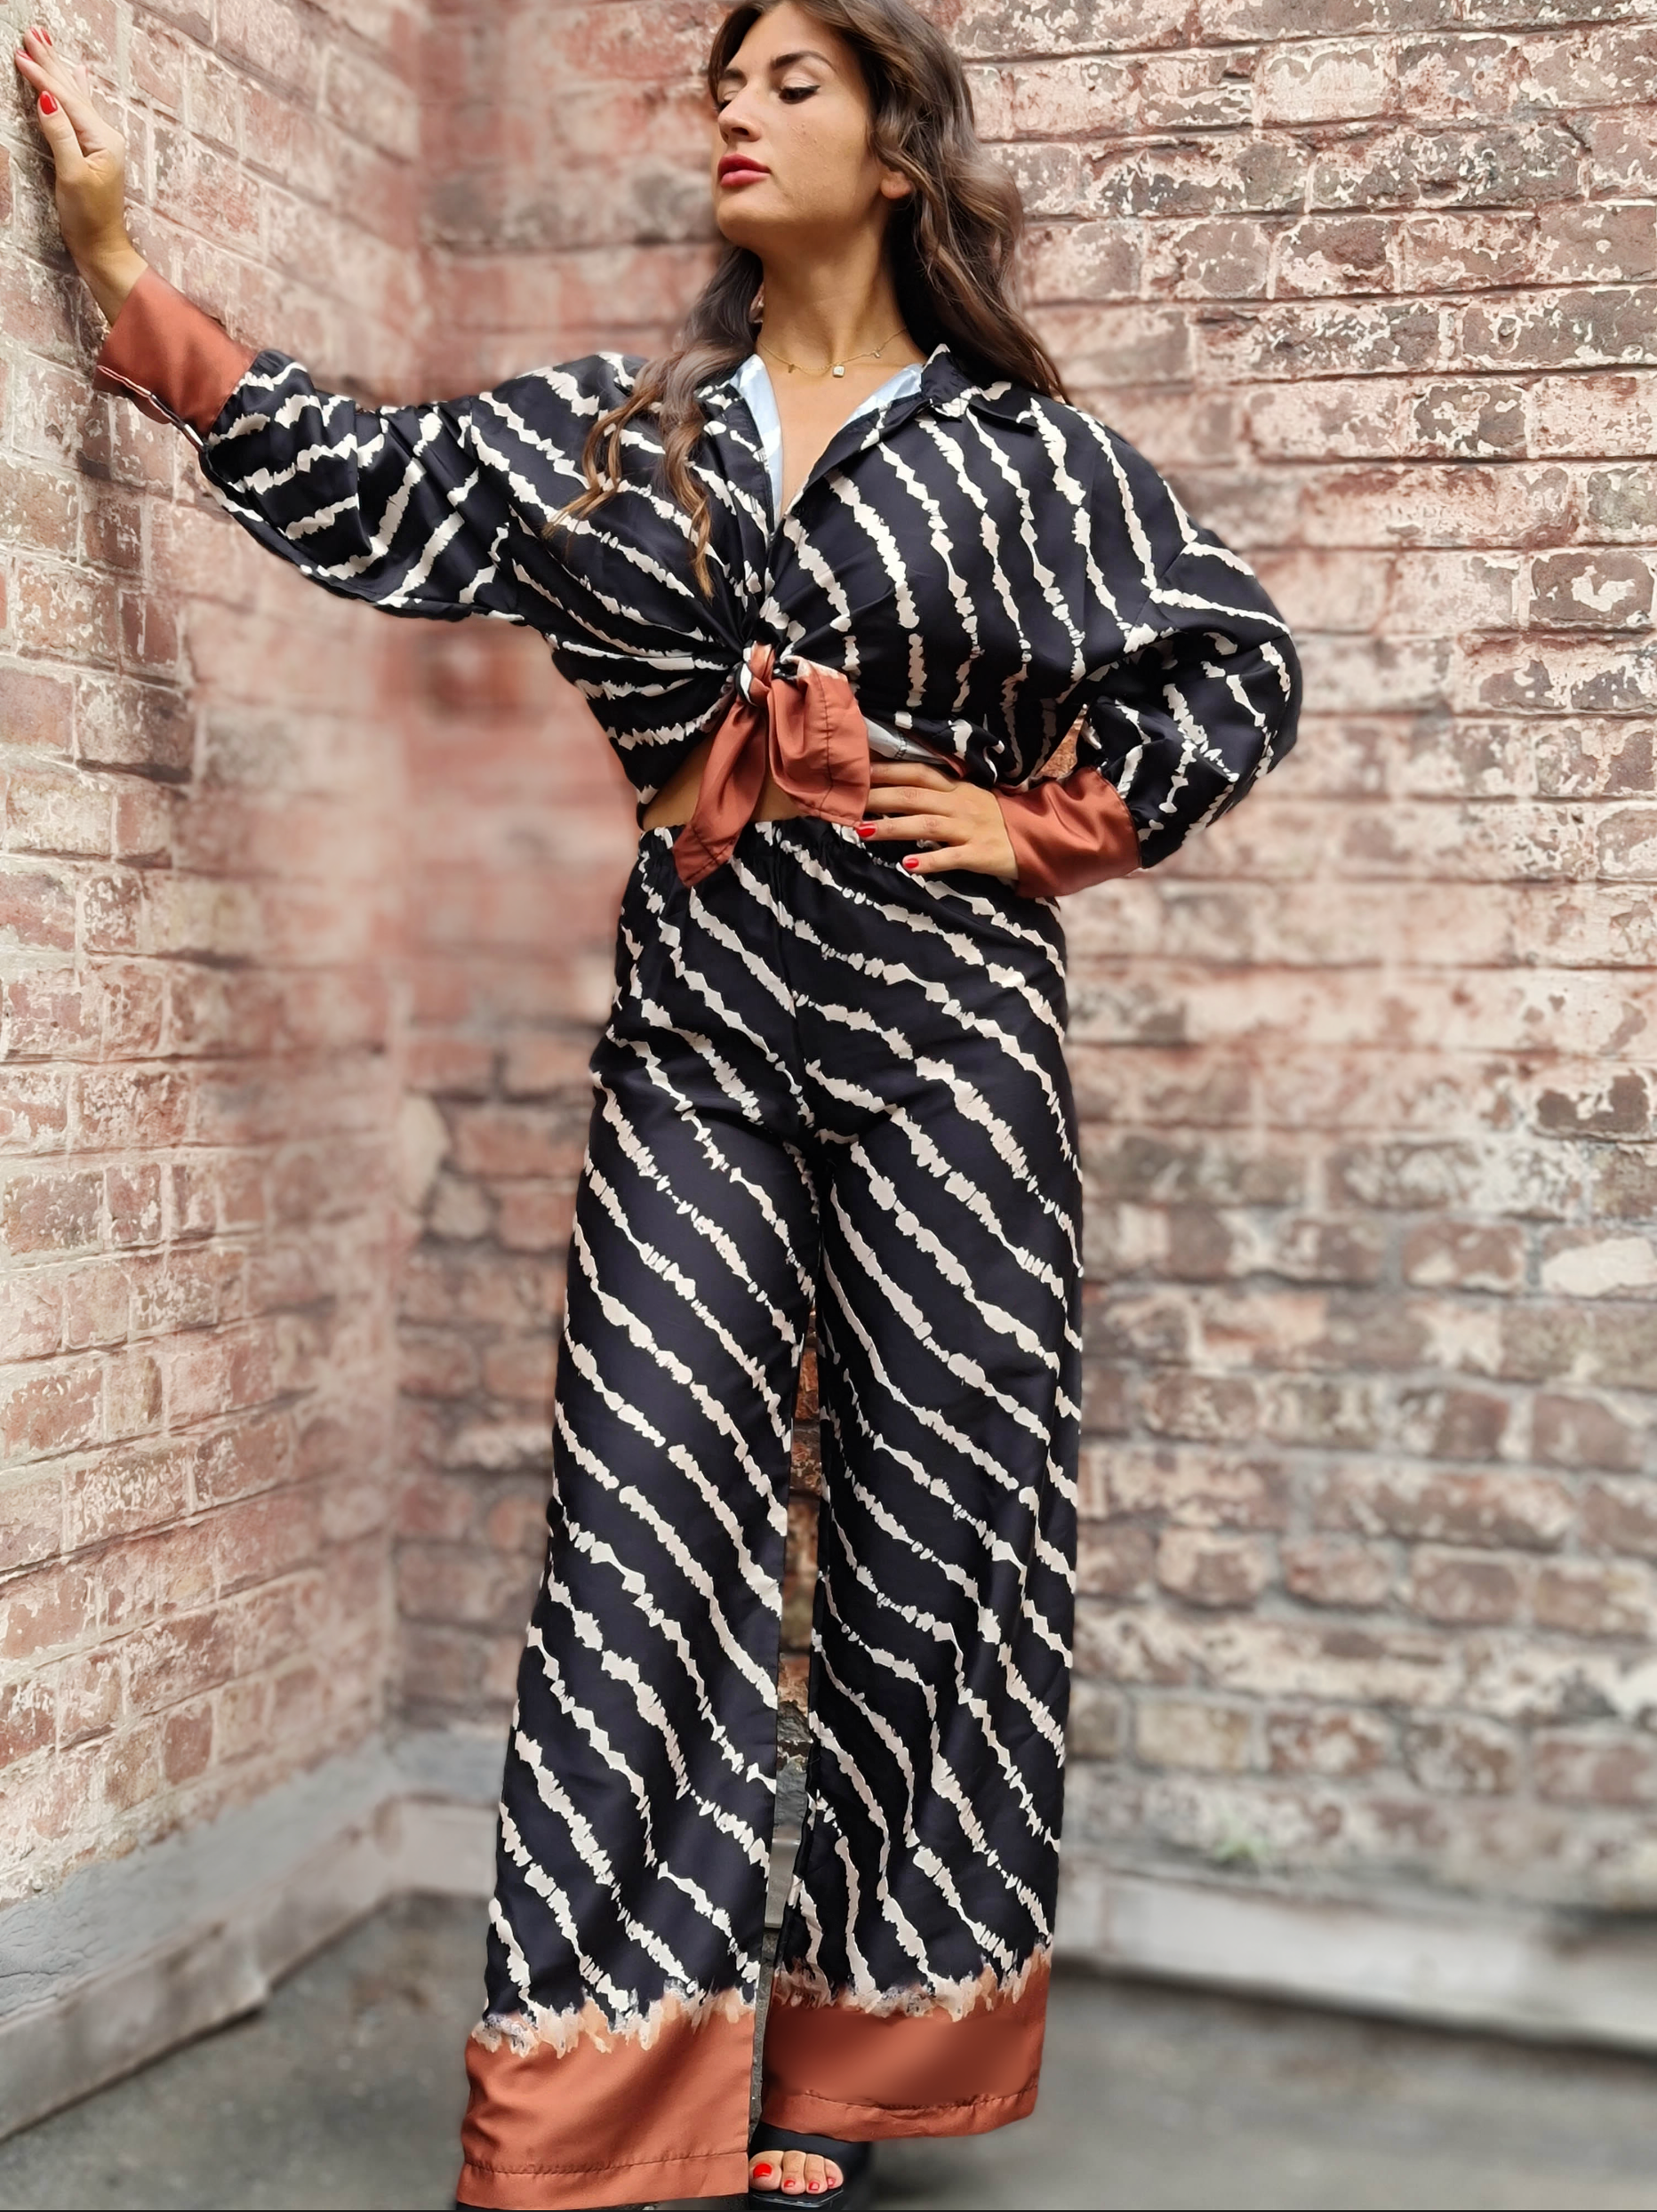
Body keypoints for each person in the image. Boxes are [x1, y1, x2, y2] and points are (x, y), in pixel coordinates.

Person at [16, 6, 1299, 2206]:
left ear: (894, 152)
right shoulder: (619, 438)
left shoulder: (1026, 459)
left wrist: (1046, 826)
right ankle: (611, 2096)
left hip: (952, 1040)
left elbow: (1231, 658)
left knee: (940, 1528)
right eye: (723, 83)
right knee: (639, 1524)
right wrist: (124, 271)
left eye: (789, 84)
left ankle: (860, 2066)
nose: (733, 112)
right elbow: (368, 473)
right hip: (700, 1031)